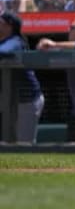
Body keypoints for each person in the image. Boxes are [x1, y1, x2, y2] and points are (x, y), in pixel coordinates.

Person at [0, 12, 43, 143]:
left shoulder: (16, 41)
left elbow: (4, 51)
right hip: (10, 99)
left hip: (27, 100)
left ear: (9, 27)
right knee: (9, 141)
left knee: (24, 144)